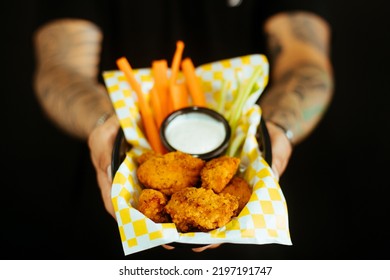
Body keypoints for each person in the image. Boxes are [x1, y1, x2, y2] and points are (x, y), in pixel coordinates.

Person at [32, 0, 334, 254]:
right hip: (110, 206)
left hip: (253, 230)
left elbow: (306, 64)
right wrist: (106, 126)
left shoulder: (231, 183)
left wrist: (275, 129)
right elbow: (60, 68)